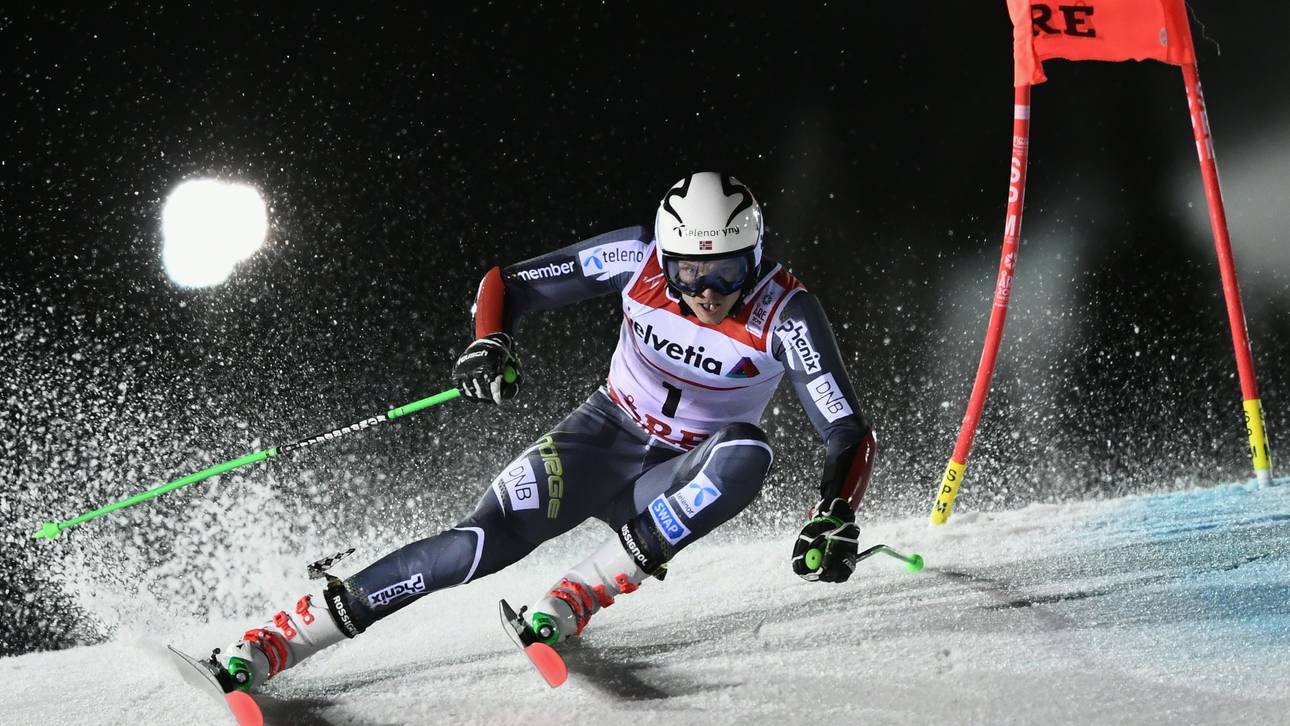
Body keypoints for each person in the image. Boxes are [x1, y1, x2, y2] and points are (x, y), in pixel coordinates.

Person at [208, 171, 877, 692]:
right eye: (689, 273)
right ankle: (284, 639)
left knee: (747, 454)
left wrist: (834, 511)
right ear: (666, 259)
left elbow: (846, 430)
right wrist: (489, 341)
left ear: (754, 256)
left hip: (677, 476)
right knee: (477, 544)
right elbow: (510, 281)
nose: (708, 292)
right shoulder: (637, 259)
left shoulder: (786, 314)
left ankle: (579, 593)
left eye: (727, 271)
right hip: (602, 437)